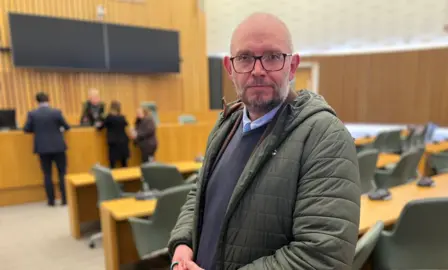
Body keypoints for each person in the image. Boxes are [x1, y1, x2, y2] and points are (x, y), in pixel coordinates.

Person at [168, 13, 361, 270]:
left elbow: (321, 258)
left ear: (292, 67)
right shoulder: (226, 124)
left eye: (272, 57)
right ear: (230, 68)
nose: (258, 71)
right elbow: (199, 195)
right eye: (245, 58)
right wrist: (182, 245)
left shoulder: (325, 137)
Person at [24, 92, 70, 207]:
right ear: (48, 100)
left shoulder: (32, 114)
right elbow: (67, 127)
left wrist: (37, 130)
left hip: (42, 148)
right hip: (58, 147)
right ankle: (65, 199)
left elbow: (26, 129)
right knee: (62, 173)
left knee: (47, 174)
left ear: (37, 101)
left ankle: (51, 201)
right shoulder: (56, 112)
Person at [96, 101, 130, 168]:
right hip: (123, 142)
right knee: (124, 163)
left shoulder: (109, 118)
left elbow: (100, 128)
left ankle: (113, 178)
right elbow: (127, 125)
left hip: (113, 142)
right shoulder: (122, 117)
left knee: (113, 163)